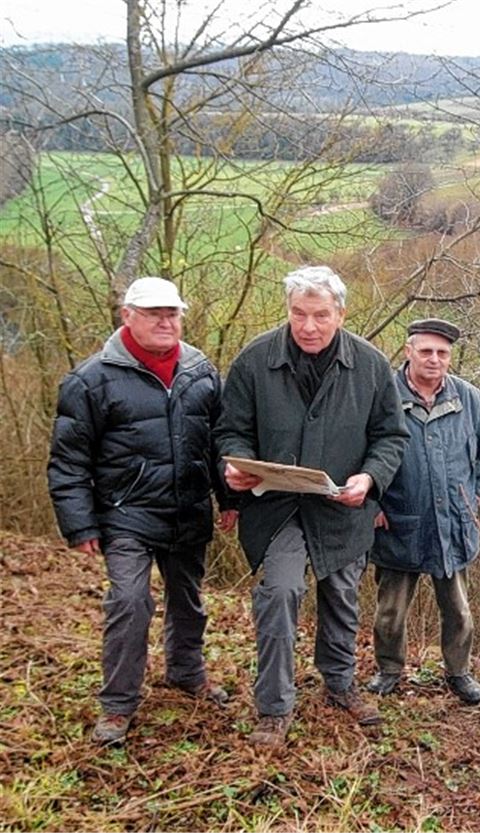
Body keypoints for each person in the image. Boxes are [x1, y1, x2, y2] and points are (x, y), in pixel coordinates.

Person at [215, 265, 409, 747]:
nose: (308, 326)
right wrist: (232, 468)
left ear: (341, 314)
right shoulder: (255, 359)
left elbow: (390, 436)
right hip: (276, 506)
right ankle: (274, 708)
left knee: (342, 598)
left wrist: (370, 477)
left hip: (343, 508)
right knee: (280, 593)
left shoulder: (369, 365)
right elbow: (231, 429)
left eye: (320, 315)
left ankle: (340, 684)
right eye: (299, 313)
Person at [47, 276, 235, 746]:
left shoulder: (200, 371)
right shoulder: (91, 379)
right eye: (153, 314)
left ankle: (186, 672)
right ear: (127, 316)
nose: (165, 322)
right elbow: (68, 460)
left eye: (172, 313)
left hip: (188, 509)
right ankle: (117, 704)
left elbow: (220, 444)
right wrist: (80, 523)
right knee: (129, 604)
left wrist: (230, 499)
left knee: (188, 601)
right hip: (125, 512)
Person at [367, 318, 480, 705]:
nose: (434, 359)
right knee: (390, 612)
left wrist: (479, 490)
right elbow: (356, 450)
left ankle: (459, 672)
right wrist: (371, 501)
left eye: (442, 353)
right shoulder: (383, 397)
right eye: (426, 351)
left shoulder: (469, 399)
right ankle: (389, 670)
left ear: (450, 357)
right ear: (408, 351)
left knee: (459, 610)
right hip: (397, 521)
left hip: (453, 524)